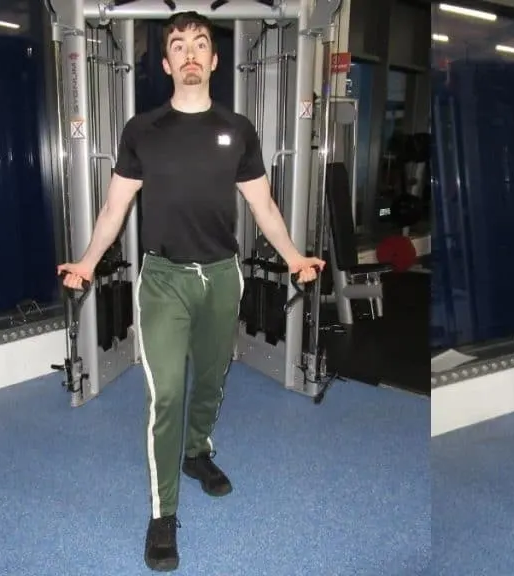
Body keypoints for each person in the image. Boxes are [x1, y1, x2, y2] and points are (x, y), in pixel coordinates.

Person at [55, 11, 325, 573]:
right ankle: (162, 514)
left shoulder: (238, 130)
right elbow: (114, 207)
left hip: (223, 275)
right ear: (167, 62)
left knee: (209, 380)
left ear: (215, 58)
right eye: (179, 46)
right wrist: (85, 261)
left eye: (200, 43)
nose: (191, 54)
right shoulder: (142, 130)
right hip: (163, 280)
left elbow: (263, 206)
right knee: (166, 394)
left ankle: (199, 451)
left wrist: (295, 255)